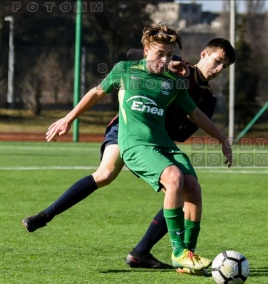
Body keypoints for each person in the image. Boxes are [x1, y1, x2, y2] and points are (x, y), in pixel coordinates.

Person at [23, 37, 236, 270]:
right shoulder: (173, 61)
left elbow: (183, 131)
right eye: (217, 61)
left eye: (223, 67)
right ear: (204, 54)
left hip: (156, 138)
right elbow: (134, 54)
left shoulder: (207, 99)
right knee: (105, 174)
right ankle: (44, 216)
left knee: (184, 188)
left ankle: (144, 253)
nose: (218, 69)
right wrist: (168, 64)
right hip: (126, 128)